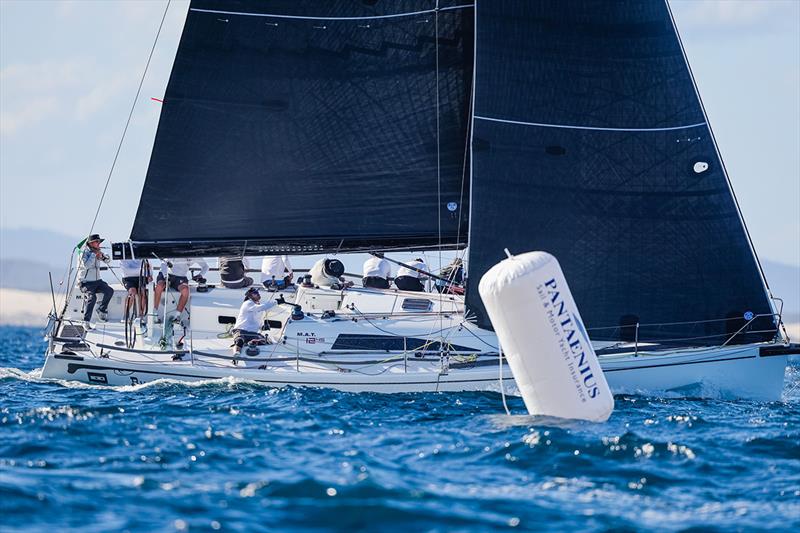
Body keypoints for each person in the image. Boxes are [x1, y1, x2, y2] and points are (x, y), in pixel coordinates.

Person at [154, 257, 209, 323]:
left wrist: (200, 275)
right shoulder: (176, 249)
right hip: (165, 273)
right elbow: (164, 263)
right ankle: (154, 313)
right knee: (159, 286)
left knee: (185, 290)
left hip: (180, 277)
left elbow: (206, 267)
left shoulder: (195, 254)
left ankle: (177, 316)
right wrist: (165, 276)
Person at [77, 234, 114, 328]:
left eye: (99, 242)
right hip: (85, 282)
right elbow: (87, 265)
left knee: (109, 291)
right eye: (97, 242)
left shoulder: (97, 251)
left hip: (97, 281)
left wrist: (103, 257)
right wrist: (94, 255)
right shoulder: (83, 253)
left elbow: (108, 261)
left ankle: (101, 310)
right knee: (92, 297)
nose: (99, 244)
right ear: (91, 243)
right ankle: (86, 321)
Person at [232, 287, 277, 355]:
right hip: (241, 331)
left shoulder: (257, 306)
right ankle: (236, 354)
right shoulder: (248, 303)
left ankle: (252, 345)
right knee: (239, 340)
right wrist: (276, 302)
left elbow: (257, 322)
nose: (258, 294)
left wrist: (262, 327)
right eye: (255, 293)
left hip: (253, 333)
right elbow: (262, 307)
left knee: (266, 342)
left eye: (258, 293)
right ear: (250, 296)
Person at [120, 258, 151, 325]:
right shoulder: (125, 255)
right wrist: (141, 270)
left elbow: (148, 267)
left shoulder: (143, 254)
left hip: (141, 277)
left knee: (143, 292)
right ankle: (126, 315)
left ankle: (141, 315)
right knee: (132, 292)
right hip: (128, 278)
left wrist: (149, 275)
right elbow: (126, 271)